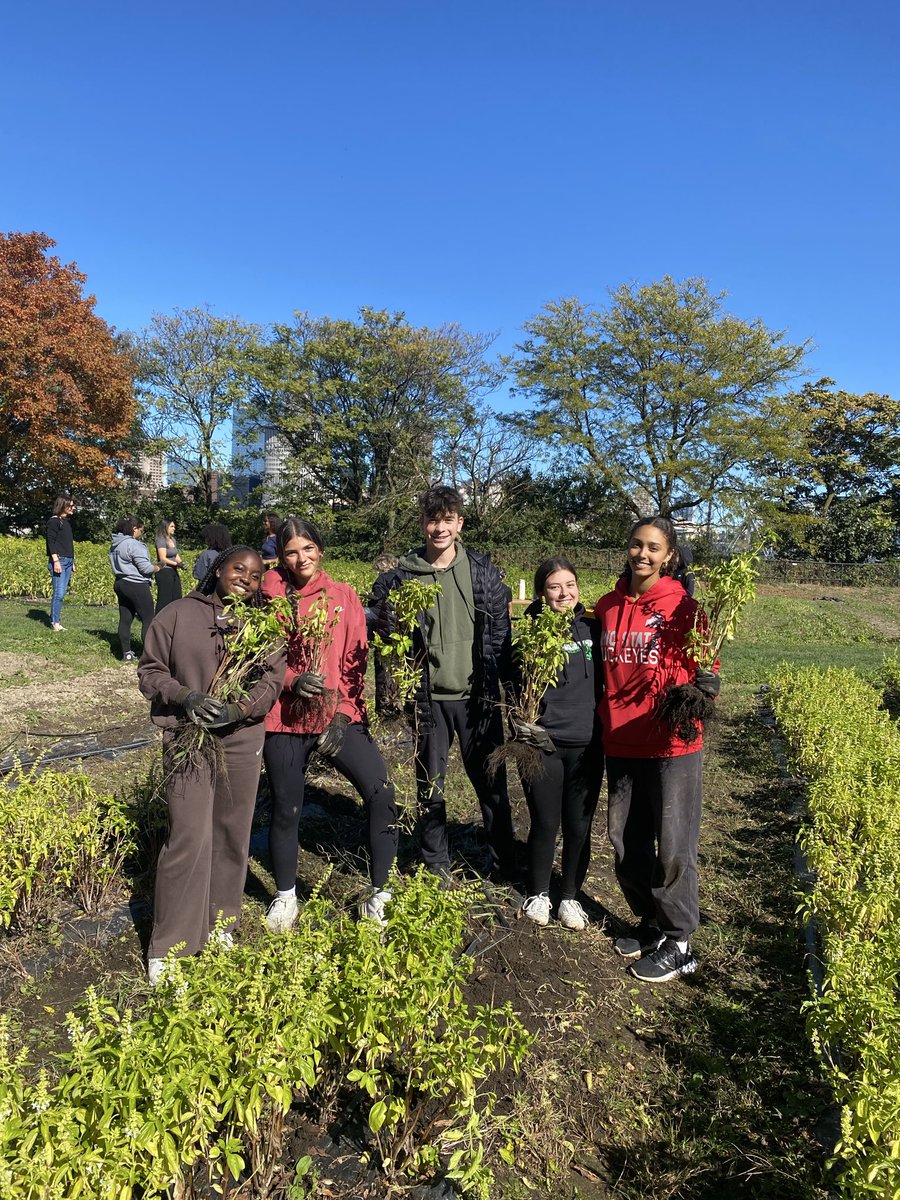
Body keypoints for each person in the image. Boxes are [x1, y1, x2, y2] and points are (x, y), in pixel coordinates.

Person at [137, 546, 286, 985]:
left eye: (256, 575)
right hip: (188, 734)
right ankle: (171, 944)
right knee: (188, 834)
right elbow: (150, 671)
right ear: (219, 569)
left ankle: (222, 922)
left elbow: (271, 681)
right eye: (238, 569)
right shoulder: (179, 613)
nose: (245, 578)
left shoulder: (262, 627)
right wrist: (187, 697)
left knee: (232, 831)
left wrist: (238, 710)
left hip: (241, 740)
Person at [594, 516, 719, 984]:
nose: (642, 554)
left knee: (673, 846)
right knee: (624, 841)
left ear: (668, 556)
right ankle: (651, 922)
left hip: (672, 744)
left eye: (653, 548)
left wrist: (708, 687)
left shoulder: (685, 609)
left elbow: (708, 668)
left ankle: (680, 941)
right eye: (635, 545)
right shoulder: (606, 607)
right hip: (621, 740)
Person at [370, 485, 516, 883]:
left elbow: (500, 632)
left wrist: (509, 691)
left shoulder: (481, 570)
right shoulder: (402, 577)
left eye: (448, 520)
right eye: (433, 520)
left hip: (477, 699)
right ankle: (436, 863)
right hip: (428, 698)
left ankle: (504, 862)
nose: (440, 528)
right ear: (422, 524)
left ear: (460, 523)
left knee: (491, 784)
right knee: (429, 785)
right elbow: (379, 629)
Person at [261, 517, 399, 929]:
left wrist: (342, 715)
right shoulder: (272, 595)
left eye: (308, 548)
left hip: (337, 714)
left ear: (320, 550)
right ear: (281, 557)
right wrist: (291, 680)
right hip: (284, 717)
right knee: (286, 808)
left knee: (381, 793)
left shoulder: (343, 597)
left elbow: (355, 661)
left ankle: (380, 893)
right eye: (291, 551)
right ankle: (286, 896)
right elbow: (265, 659)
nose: (301, 558)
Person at [512, 558, 603, 931]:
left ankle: (569, 897)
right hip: (543, 744)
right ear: (541, 593)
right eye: (554, 586)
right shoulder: (529, 632)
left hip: (587, 744)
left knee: (579, 825)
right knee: (545, 822)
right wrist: (521, 720)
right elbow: (513, 685)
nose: (564, 593)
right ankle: (539, 893)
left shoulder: (594, 629)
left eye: (570, 585)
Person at [109, 517, 159, 661]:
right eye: (141, 530)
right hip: (136, 584)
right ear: (134, 529)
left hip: (120, 582)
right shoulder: (133, 544)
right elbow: (146, 568)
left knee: (125, 619)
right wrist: (159, 567)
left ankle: (126, 654)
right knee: (148, 618)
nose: (141, 534)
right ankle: (150, 655)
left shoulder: (115, 544)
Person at [45, 495, 75, 631]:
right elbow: (50, 542)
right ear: (63, 505)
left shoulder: (66, 522)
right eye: (71, 505)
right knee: (59, 593)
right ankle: (55, 622)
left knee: (61, 593)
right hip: (60, 561)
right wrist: (56, 561)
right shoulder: (54, 522)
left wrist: (72, 560)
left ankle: (56, 619)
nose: (73, 508)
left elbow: (67, 543)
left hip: (68, 561)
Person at [155, 519, 184, 612]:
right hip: (164, 571)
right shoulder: (160, 539)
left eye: (174, 526)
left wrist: (182, 564)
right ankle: (159, 619)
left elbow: (176, 555)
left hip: (173, 571)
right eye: (171, 526)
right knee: (165, 599)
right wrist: (176, 564)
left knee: (176, 596)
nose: (174, 528)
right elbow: (163, 558)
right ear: (165, 527)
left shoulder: (172, 540)